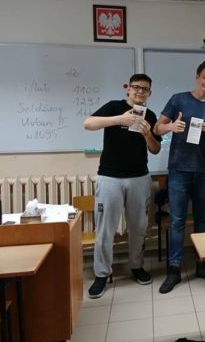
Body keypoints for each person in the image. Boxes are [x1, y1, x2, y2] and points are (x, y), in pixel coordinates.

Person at [83, 73, 161, 299]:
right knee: (105, 229)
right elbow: (88, 123)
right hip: (110, 177)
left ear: (149, 93)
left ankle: (136, 266)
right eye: (136, 87)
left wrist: (147, 135)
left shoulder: (150, 115)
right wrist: (119, 119)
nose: (140, 92)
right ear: (128, 88)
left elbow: (155, 149)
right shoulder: (114, 107)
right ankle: (101, 274)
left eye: (144, 89)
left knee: (139, 227)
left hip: (139, 178)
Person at [154, 60, 205, 294]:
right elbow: (157, 128)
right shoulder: (178, 99)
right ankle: (174, 270)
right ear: (197, 77)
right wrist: (171, 127)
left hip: (204, 170)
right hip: (179, 170)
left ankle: (203, 265)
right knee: (177, 221)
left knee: (202, 219)